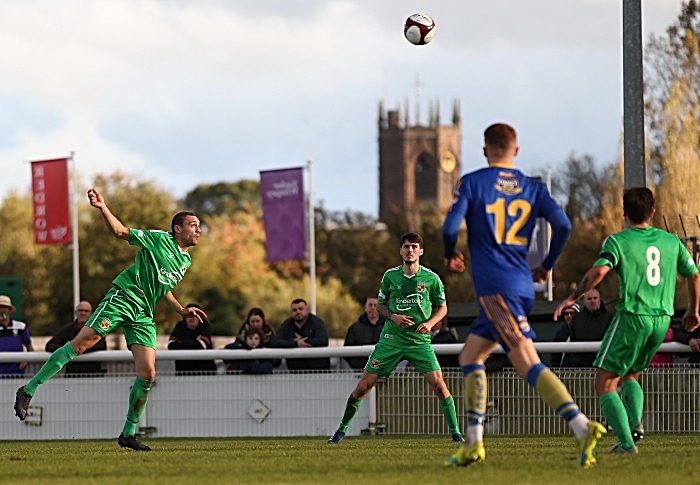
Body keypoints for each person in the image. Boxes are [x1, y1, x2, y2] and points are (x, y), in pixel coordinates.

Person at [441, 123, 605, 468]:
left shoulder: (473, 182)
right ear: (516, 151)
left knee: (527, 362)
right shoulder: (533, 187)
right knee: (471, 356)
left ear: (485, 151)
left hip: (496, 288)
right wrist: (546, 265)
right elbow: (563, 225)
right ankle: (474, 443)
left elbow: (449, 227)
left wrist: (449, 252)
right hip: (519, 284)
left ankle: (581, 425)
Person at [14, 188, 206, 452]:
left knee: (148, 373)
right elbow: (120, 231)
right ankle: (29, 389)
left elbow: (164, 288)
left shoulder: (186, 260)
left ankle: (128, 433)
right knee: (80, 345)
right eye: (193, 225)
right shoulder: (158, 239)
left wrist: (181, 310)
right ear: (177, 228)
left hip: (143, 313)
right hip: (124, 298)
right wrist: (104, 208)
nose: (199, 229)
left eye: (199, 226)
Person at [554, 187, 700, 454]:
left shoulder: (618, 241)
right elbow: (694, 275)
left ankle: (628, 443)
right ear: (652, 212)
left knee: (604, 382)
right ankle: (635, 424)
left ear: (624, 212)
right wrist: (693, 310)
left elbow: (599, 271)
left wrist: (572, 297)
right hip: (662, 320)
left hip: (633, 316)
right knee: (630, 374)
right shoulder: (671, 242)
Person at [327, 233, 463, 445]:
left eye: (414, 247)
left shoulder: (432, 279)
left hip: (419, 341)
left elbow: (442, 307)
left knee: (439, 386)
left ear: (421, 251)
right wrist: (394, 316)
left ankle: (456, 434)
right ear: (400, 251)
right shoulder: (390, 276)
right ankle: (340, 432)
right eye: (406, 247)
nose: (410, 250)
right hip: (391, 339)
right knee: (363, 387)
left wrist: (428, 324)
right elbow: (380, 306)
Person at [45, 301, 107, 375]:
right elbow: (50, 345)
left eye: (86, 311)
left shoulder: (97, 329)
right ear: (75, 313)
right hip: (72, 376)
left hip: (94, 375)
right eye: (80, 310)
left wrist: (74, 346)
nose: (83, 313)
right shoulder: (67, 329)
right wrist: (66, 348)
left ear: (91, 314)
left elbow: (102, 346)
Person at [271, 299, 330, 370]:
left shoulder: (317, 323)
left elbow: (323, 340)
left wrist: (305, 341)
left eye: (301, 309)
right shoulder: (287, 325)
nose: (298, 312)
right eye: (294, 310)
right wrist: (295, 343)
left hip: (318, 371)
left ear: (307, 310)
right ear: (291, 312)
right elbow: (275, 342)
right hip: (295, 373)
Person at [168, 303, 216, 374]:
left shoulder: (205, 326)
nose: (192, 318)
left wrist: (180, 343)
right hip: (183, 373)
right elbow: (171, 345)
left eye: (196, 315)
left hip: (205, 373)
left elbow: (201, 345)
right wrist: (194, 342)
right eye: (189, 315)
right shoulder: (180, 326)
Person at [569, 289, 614, 367]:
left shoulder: (611, 318)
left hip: (604, 366)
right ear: (584, 301)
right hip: (582, 368)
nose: (592, 301)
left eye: (595, 298)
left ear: (600, 299)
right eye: (589, 299)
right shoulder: (576, 319)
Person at [343, 296, 386, 369]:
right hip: (361, 373)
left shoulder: (389, 328)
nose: (373, 308)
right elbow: (347, 350)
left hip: (384, 371)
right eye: (370, 305)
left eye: (375, 305)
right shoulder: (355, 328)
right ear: (365, 307)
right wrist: (360, 366)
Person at [0, 295, 34, 376]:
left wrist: (26, 361)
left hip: (17, 373)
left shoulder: (21, 327)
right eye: (0, 307)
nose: (2, 310)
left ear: (10, 310)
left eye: (5, 307)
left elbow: (29, 347)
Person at [550, 303, 580, 368]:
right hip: (564, 371)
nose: (569, 316)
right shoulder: (560, 333)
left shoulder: (584, 331)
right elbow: (555, 355)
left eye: (572, 313)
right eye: (566, 314)